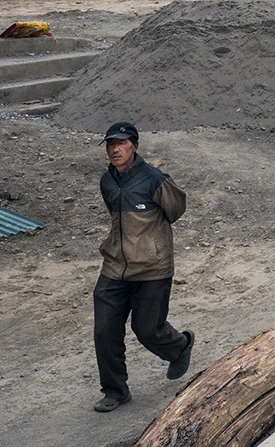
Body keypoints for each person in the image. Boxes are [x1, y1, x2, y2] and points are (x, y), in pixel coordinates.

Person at [92, 121, 193, 412]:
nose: (115, 149)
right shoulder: (107, 181)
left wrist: (150, 242)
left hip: (152, 269)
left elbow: (177, 208)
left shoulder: (155, 180)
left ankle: (179, 346)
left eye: (121, 144)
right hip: (115, 267)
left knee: (148, 329)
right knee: (105, 331)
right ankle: (115, 391)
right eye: (111, 145)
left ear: (134, 146)